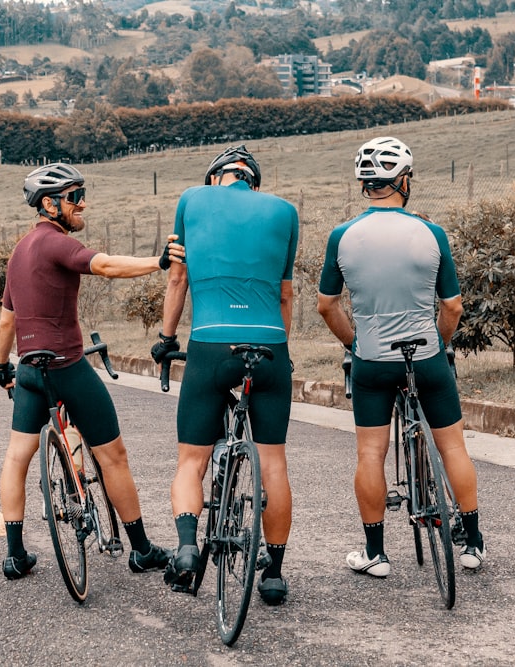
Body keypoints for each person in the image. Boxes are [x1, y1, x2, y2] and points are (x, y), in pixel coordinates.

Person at [0, 162, 184, 580]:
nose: (83, 203)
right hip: (67, 366)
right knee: (112, 455)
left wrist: (1, 365)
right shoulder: (54, 244)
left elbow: (7, 321)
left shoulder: (19, 251)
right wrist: (159, 261)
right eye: (74, 197)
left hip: (28, 369)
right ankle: (141, 550)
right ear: (50, 204)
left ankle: (14, 555)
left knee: (17, 457)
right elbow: (104, 266)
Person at [316, 137, 486, 576]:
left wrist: (355, 342)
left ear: (365, 185)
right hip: (425, 356)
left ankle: (375, 554)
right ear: (404, 181)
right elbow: (452, 307)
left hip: (372, 359)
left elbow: (326, 305)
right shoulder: (431, 233)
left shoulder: (342, 236)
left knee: (370, 455)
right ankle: (473, 545)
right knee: (452, 447)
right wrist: (440, 343)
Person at [151, 145, 298, 605]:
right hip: (269, 344)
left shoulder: (191, 200)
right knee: (273, 461)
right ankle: (272, 574)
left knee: (191, 461)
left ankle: (189, 548)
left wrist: (166, 338)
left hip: (211, 343)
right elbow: (286, 295)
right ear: (252, 180)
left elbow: (178, 280)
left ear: (216, 176)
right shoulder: (285, 211)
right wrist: (282, 353)